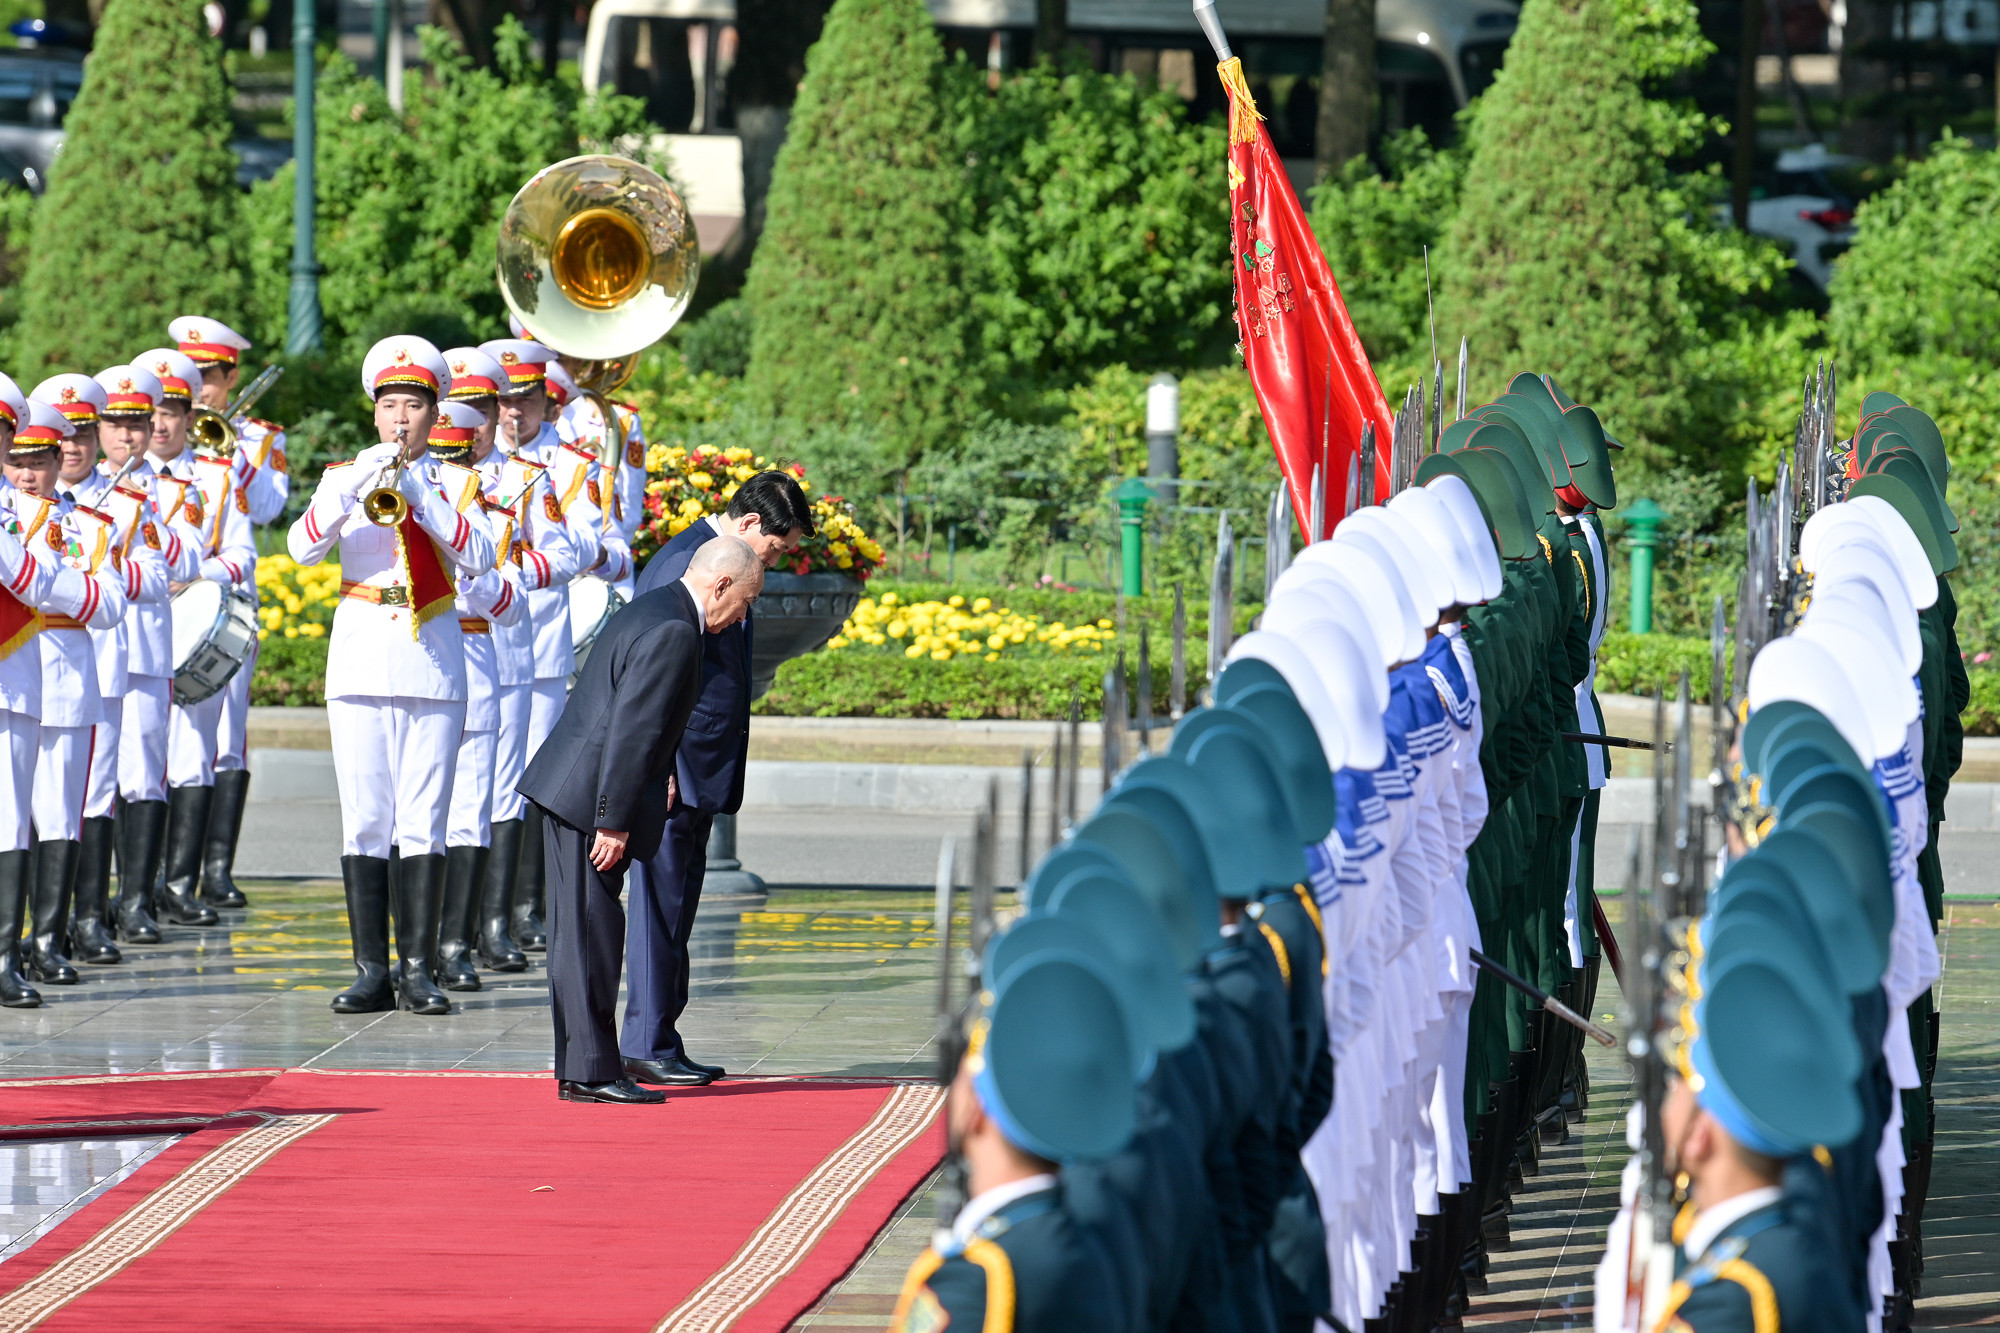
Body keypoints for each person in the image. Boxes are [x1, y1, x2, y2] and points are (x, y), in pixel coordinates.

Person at [285, 336, 495, 1015]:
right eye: (390, 406)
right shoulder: (343, 475)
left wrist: (422, 498)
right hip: (361, 656)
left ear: (435, 414)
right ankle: (370, 970)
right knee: (366, 818)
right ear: (374, 413)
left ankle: (419, 970)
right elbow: (301, 545)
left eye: (414, 406)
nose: (401, 418)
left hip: (430, 655)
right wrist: (356, 484)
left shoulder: (456, 482)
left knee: (424, 818)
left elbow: (482, 555)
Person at [517, 535, 761, 1105]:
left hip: (578, 790)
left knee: (585, 936)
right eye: (745, 601)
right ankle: (591, 1073)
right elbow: (632, 730)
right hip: (587, 800)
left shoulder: (660, 608)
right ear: (721, 585)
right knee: (591, 938)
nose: (742, 616)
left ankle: (585, 1068)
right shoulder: (676, 629)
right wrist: (613, 820)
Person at [620, 469, 813, 1087]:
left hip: (699, 767)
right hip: (676, 769)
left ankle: (662, 1036)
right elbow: (653, 677)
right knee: (659, 905)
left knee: (677, 906)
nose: (773, 563)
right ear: (750, 522)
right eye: (775, 549)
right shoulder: (683, 564)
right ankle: (645, 1041)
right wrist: (660, 765)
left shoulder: (720, 556)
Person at [477, 337, 618, 956]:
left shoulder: (572, 465)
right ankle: (481, 913)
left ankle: (526, 906)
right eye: (503, 402)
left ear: (547, 401)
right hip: (478, 640)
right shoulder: (467, 457)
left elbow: (592, 545)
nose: (514, 412)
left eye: (526, 400)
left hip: (537, 641)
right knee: (481, 777)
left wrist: (524, 563)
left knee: (533, 774)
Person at [447, 344, 582, 972]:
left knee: (503, 791)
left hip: (506, 652)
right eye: (465, 408)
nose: (477, 421)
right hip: (440, 653)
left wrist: (511, 570)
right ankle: (443, 930)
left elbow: (565, 555)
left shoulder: (527, 477)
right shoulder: (423, 479)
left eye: (483, 409)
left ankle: (495, 924)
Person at [36, 373, 169, 967]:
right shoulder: (19, 504)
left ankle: (88, 918)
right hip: (31, 659)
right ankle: (40, 927)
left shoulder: (127, 503)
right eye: (62, 438)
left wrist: (105, 566)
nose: (73, 448)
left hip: (101, 662)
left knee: (92, 794)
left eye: (83, 435)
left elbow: (158, 576)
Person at [6, 398, 129, 986]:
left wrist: (43, 584)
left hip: (67, 681)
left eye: (40, 462)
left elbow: (109, 605)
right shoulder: (5, 518)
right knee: (9, 819)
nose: (28, 474)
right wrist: (58, 585)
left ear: (60, 462)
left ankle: (48, 941)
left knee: (60, 817)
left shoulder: (90, 527)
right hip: (12, 672)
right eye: (18, 461)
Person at [168, 316, 285, 912]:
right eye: (192, 377)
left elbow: (266, 508)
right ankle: (167, 874)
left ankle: (216, 870)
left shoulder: (259, 438)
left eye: (209, 377)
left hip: (227, 612)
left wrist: (231, 447)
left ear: (231, 377)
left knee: (225, 741)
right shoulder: (163, 432)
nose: (200, 388)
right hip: (164, 609)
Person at [136, 345, 254, 926]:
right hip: (134, 632)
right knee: (132, 761)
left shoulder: (215, 476)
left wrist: (195, 576)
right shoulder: (116, 480)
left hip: (192, 628)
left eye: (171, 413)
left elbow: (241, 556)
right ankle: (135, 889)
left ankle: (181, 884)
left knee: (192, 754)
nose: (160, 425)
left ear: (189, 417)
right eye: (152, 413)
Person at [423, 399, 530, 991]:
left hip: (474, 667)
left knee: (469, 812)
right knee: (413, 814)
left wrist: (474, 578)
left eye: (454, 461)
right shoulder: (397, 514)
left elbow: (512, 605)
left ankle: (455, 946)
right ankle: (412, 949)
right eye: (435, 461)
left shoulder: (493, 520)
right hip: (417, 668)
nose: (445, 474)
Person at [93, 364, 201, 944]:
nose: (129, 436)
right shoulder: (76, 486)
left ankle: (136, 900)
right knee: (94, 780)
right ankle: (90, 906)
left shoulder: (174, 489)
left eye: (137, 425)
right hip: (95, 650)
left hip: (145, 650)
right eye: (116, 425)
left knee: (144, 776)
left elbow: (187, 561)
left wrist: (147, 516)